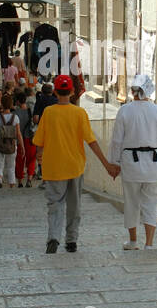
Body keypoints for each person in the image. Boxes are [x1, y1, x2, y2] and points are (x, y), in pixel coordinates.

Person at [33, 74, 118, 253]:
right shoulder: (79, 113)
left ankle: (54, 237)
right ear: (72, 92)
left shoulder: (48, 113)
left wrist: (39, 158)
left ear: (55, 92)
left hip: (53, 167)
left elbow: (39, 142)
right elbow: (92, 141)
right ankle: (71, 240)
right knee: (75, 204)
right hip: (75, 166)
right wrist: (106, 165)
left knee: (55, 204)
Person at [108, 73, 157, 250]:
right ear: (149, 90)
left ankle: (132, 241)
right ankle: (149, 243)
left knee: (131, 203)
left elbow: (117, 141)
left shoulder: (125, 111)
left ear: (132, 91)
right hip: (155, 164)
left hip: (131, 164)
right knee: (151, 204)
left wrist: (114, 162)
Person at [0, 91, 23, 189]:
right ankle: (11, 184)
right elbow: (18, 134)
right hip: (12, 143)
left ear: (2, 104)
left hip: (0, 142)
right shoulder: (15, 118)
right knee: (11, 165)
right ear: (11, 104)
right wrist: (22, 146)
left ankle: (0, 179)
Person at [32, 81, 56, 187]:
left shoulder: (40, 101)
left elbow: (36, 119)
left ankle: (43, 175)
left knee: (41, 153)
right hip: (55, 131)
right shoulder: (57, 101)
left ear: (42, 91)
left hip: (43, 130)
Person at [13, 89, 36, 188]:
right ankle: (29, 179)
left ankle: (20, 181)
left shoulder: (15, 113)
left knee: (19, 160)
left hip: (19, 139)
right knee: (31, 159)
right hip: (30, 138)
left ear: (17, 101)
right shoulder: (30, 111)